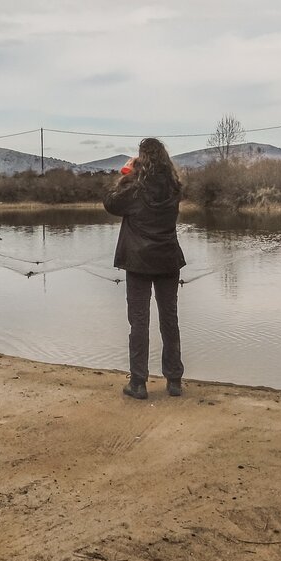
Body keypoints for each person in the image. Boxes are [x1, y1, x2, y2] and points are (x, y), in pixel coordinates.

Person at [103, 137, 187, 400]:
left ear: (142, 157)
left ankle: (138, 383)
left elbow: (110, 203)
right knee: (169, 319)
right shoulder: (174, 187)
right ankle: (174, 380)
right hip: (167, 260)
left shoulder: (135, 190)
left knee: (139, 321)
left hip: (138, 262)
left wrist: (127, 173)